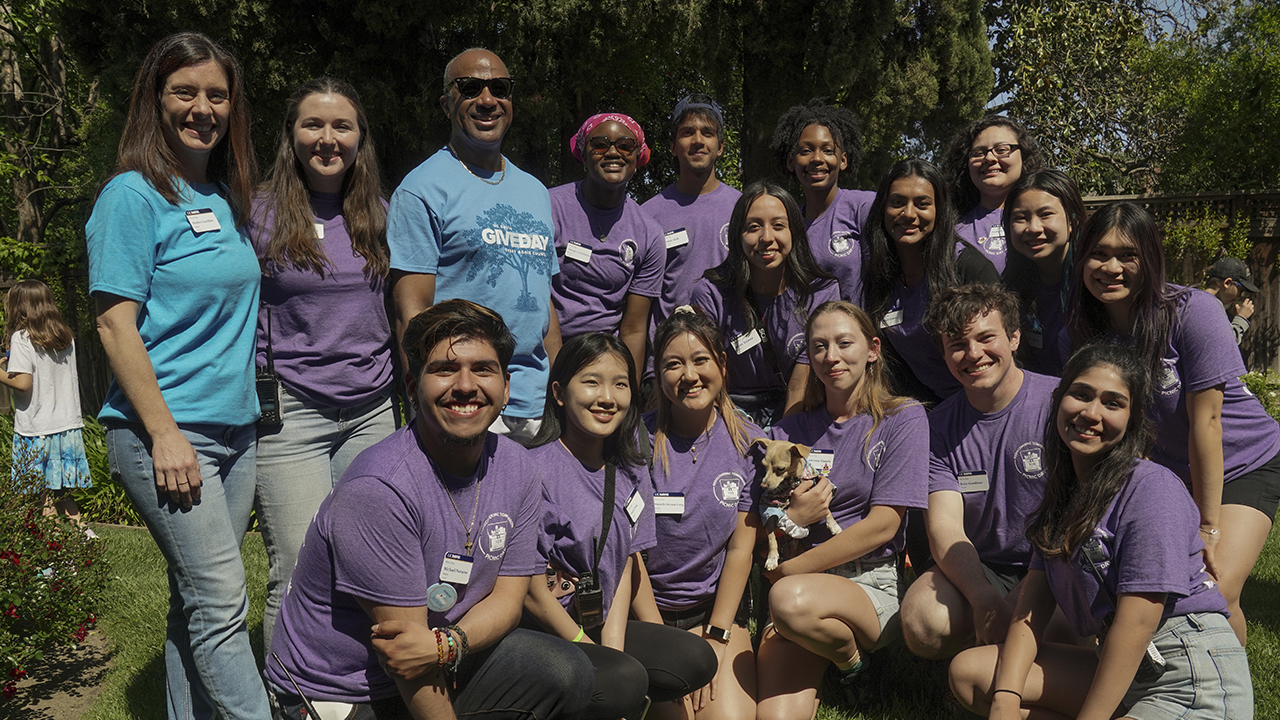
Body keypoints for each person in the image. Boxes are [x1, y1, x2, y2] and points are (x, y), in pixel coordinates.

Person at [265, 300, 592, 720]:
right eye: (443, 370)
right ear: (411, 384)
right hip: (342, 689)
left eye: (483, 370)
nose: (465, 385)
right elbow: (405, 661)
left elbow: (509, 601)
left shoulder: (517, 467)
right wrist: (436, 651)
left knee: (569, 672)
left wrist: (446, 645)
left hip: (438, 652)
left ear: (506, 387)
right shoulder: (379, 489)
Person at [85, 32, 269, 719]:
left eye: (216, 94)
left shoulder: (224, 195)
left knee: (193, 602)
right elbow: (113, 325)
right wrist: (164, 434)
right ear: (154, 101)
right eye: (184, 92)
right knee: (222, 600)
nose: (202, 107)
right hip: (166, 433)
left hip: (235, 431)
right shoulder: (132, 197)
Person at [949, 343, 1251, 720]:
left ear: (1133, 419)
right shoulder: (1062, 496)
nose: (1091, 413)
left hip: (1189, 675)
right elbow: (1033, 606)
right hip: (1124, 666)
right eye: (1081, 394)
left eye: (1112, 403)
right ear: (1059, 400)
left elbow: (1137, 622)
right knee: (971, 675)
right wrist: (1005, 700)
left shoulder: (1150, 488)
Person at [1067, 202, 1280, 645]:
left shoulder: (1191, 311)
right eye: (1098, 253)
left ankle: (1230, 696)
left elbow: (1209, 424)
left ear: (1150, 258)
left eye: (1127, 255)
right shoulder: (1089, 328)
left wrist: (1208, 525)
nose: (1111, 267)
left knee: (1216, 587)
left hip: (1243, 459)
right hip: (1168, 468)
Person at [250, 76, 396, 652]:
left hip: (373, 412)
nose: (327, 138)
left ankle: (357, 687)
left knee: (370, 563)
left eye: (342, 126)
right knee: (297, 567)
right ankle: (290, 697)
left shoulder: (382, 215)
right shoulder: (256, 213)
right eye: (313, 124)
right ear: (292, 135)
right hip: (292, 416)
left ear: (361, 139)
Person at [524, 333, 717, 720]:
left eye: (621, 384)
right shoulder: (533, 470)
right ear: (559, 393)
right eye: (592, 382)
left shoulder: (630, 467)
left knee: (694, 658)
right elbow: (529, 590)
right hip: (542, 632)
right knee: (621, 680)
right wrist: (584, 644)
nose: (607, 397)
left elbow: (625, 562)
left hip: (597, 619)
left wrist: (612, 649)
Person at [756, 301, 929, 720]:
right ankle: (841, 656)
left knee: (789, 600)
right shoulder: (789, 432)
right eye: (818, 346)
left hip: (867, 582)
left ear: (872, 349)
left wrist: (789, 573)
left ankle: (855, 663)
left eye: (843, 343)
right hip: (799, 589)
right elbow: (764, 515)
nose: (831, 356)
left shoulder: (902, 418)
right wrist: (794, 520)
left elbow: (883, 526)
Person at [388, 48, 559, 445]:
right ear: (446, 104)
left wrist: (559, 385)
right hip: (465, 401)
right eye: (469, 88)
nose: (487, 99)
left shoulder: (535, 191)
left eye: (500, 88)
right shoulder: (421, 189)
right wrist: (424, 402)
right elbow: (411, 312)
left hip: (536, 405)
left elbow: (544, 303)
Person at [898, 284, 1056, 660]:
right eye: (957, 344)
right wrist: (983, 598)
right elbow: (945, 528)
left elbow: (1075, 515)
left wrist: (1026, 593)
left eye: (986, 338)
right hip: (983, 567)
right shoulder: (937, 428)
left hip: (1055, 566)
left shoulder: (1060, 404)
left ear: (1015, 337)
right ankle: (977, 653)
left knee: (1063, 633)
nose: (973, 354)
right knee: (923, 620)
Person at [644, 308, 761, 720]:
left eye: (700, 360)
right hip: (646, 616)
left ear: (722, 365)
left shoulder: (751, 444)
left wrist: (714, 637)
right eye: (673, 364)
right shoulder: (635, 443)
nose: (689, 375)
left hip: (714, 612)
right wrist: (664, 644)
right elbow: (628, 558)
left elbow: (740, 549)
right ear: (658, 375)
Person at [691, 181, 838, 428]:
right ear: (738, 235)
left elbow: (801, 383)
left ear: (795, 232)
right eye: (753, 227)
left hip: (800, 409)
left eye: (778, 226)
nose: (767, 238)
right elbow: (708, 377)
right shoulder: (710, 293)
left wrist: (779, 441)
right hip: (729, 412)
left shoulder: (820, 291)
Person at [861, 159, 1000, 403]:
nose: (909, 214)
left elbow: (1003, 354)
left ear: (940, 210)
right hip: (929, 409)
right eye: (897, 203)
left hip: (983, 402)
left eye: (922, 204)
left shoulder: (970, 269)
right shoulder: (879, 275)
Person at [550, 112, 665, 374]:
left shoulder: (649, 234)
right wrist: (558, 377)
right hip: (548, 353)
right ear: (584, 153)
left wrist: (630, 395)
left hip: (605, 360)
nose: (613, 152)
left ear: (638, 158)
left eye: (625, 146)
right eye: (600, 144)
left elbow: (634, 329)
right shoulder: (549, 208)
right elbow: (538, 300)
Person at [642, 95, 742, 331]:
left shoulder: (745, 208)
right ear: (673, 147)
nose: (698, 140)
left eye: (707, 133)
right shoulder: (647, 215)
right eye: (687, 132)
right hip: (668, 358)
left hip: (732, 357)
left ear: (720, 147)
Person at [1, 280, 92, 524]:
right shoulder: (65, 336)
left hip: (36, 429)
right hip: (66, 426)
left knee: (42, 495)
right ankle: (84, 539)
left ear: (19, 307)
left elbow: (22, 383)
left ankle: (54, 554)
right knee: (62, 492)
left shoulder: (22, 338)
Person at [770, 99, 875, 305]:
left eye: (828, 150)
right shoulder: (787, 225)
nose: (817, 158)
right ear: (791, 161)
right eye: (806, 150)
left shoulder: (863, 208)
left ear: (843, 160)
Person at [1000, 169, 1085, 375]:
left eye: (1045, 215)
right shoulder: (1012, 288)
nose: (1033, 228)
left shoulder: (1094, 283)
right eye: (1021, 218)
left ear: (1072, 221)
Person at [942, 116, 1045, 274]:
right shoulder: (949, 227)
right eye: (978, 153)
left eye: (1002, 150)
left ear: (1023, 156)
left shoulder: (1048, 220)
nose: (989, 158)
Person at [1202, 257, 1258, 346]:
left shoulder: (1199, 300)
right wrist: (1241, 318)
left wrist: (1230, 315)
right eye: (1241, 290)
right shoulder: (1212, 305)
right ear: (1227, 283)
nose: (1240, 296)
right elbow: (1226, 344)